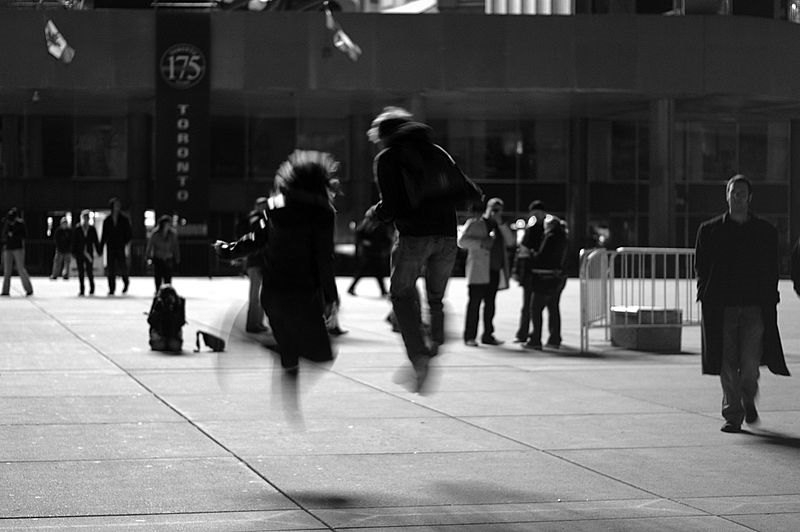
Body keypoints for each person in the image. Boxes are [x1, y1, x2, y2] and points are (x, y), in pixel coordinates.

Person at [365, 106, 483, 392]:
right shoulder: (438, 152)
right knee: (435, 297)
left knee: (402, 294)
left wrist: (374, 215)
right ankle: (437, 342)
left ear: (385, 135)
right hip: (445, 237)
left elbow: (393, 205)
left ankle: (419, 355)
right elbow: (471, 192)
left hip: (414, 236)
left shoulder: (389, 158)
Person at [214, 150, 340, 377]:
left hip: (274, 287)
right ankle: (284, 351)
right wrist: (331, 295)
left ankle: (283, 351)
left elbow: (256, 239)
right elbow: (324, 257)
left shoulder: (276, 206)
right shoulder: (324, 212)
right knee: (321, 353)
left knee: (290, 345)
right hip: (305, 288)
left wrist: (228, 251)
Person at [695, 174, 789, 434]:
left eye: (742, 193)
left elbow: (772, 268)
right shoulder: (710, 230)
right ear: (727, 196)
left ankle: (748, 396)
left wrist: (770, 296)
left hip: (753, 307)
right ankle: (732, 414)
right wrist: (704, 293)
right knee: (726, 362)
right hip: (721, 307)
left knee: (749, 363)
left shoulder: (764, 232)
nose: (737, 198)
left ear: (749, 198)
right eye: (733, 193)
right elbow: (701, 268)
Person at [457, 197, 515, 347]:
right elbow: (462, 242)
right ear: (487, 208)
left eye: (499, 209)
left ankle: (488, 335)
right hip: (478, 271)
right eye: (493, 209)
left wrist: (500, 223)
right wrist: (481, 243)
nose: (495, 212)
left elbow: (511, 242)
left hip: (494, 271)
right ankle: (470, 336)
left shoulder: (500, 226)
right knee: (474, 304)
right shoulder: (474, 223)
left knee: (490, 305)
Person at [524, 215, 569, 350]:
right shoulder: (564, 238)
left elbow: (543, 257)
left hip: (545, 277)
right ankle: (555, 338)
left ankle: (535, 339)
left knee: (535, 308)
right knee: (553, 307)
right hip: (558, 277)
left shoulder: (550, 237)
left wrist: (531, 255)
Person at [513, 200, 547, 343]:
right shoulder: (535, 230)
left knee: (532, 306)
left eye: (537, 213)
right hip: (530, 272)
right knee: (529, 305)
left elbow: (524, 251)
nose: (536, 216)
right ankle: (525, 333)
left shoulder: (541, 230)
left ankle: (527, 334)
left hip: (535, 272)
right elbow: (523, 252)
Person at [235, 197, 270, 333]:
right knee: (255, 294)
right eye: (263, 205)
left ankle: (258, 322)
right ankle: (252, 324)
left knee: (259, 294)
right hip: (257, 261)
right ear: (258, 206)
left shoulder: (256, 219)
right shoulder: (257, 220)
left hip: (258, 261)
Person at [347, 209, 392, 297]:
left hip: (375, 252)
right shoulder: (366, 225)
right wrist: (365, 242)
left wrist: (383, 246)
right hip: (368, 253)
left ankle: (383, 290)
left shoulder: (379, 226)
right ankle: (351, 288)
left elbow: (385, 239)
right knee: (365, 272)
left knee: (377, 272)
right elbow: (359, 235)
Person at [100, 197, 132, 295]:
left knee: (123, 266)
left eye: (118, 205)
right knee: (111, 268)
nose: (117, 207)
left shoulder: (124, 219)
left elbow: (129, 233)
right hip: (110, 246)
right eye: (115, 205)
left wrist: (125, 242)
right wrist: (101, 247)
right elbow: (104, 235)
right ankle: (112, 288)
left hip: (120, 246)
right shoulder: (107, 220)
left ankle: (126, 282)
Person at [1, 207, 34, 297]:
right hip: (8, 248)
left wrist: (14, 235)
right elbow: (3, 234)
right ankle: (5, 290)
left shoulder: (20, 224)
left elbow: (24, 235)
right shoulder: (7, 223)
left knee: (20, 269)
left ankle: (29, 289)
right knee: (7, 270)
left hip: (18, 248)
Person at [145, 214, 180, 292]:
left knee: (168, 277)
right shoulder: (155, 233)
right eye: (166, 224)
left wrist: (177, 256)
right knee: (158, 276)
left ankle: (167, 292)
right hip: (158, 258)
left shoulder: (172, 234)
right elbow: (150, 245)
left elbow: (175, 246)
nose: (167, 226)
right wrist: (148, 256)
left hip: (168, 258)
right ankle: (158, 291)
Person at [72, 209, 100, 297]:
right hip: (80, 253)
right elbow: (74, 241)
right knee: (81, 272)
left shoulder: (92, 229)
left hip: (89, 252)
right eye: (84, 217)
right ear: (82, 218)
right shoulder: (78, 229)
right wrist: (73, 252)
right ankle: (82, 289)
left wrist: (99, 251)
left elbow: (96, 241)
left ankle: (92, 288)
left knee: (89, 271)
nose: (86, 219)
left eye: (88, 217)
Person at [50, 216, 72, 280]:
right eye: (63, 223)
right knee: (57, 262)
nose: (64, 224)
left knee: (67, 263)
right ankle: (54, 275)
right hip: (59, 249)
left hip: (67, 250)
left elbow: (71, 240)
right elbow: (56, 240)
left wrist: (70, 248)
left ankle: (66, 275)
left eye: (65, 223)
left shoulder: (69, 231)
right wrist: (58, 247)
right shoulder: (58, 231)